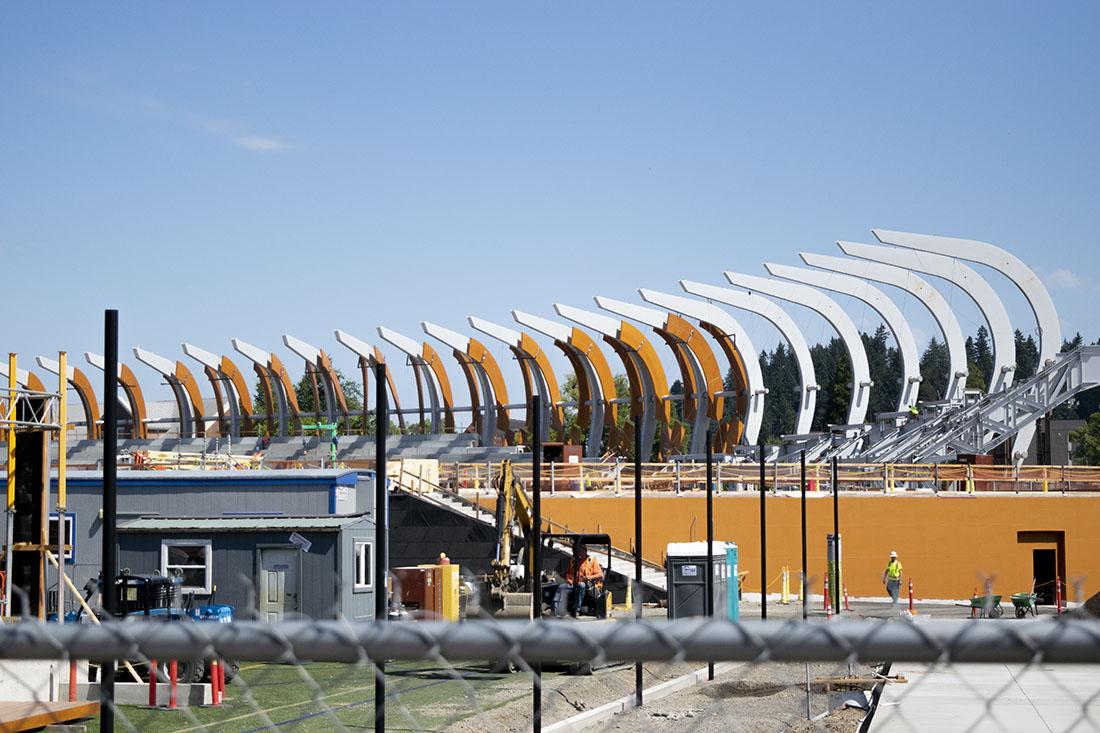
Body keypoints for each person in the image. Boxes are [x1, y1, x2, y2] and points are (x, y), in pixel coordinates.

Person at [552, 545, 604, 617]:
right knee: (562, 587)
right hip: (573, 583)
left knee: (581, 585)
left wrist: (590, 577)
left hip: (587, 585)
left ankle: (577, 610)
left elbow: (600, 574)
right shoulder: (573, 560)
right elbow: (568, 573)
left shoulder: (592, 560)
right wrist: (568, 579)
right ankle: (555, 609)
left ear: (585, 551)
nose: (578, 553)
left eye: (580, 551)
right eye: (577, 551)